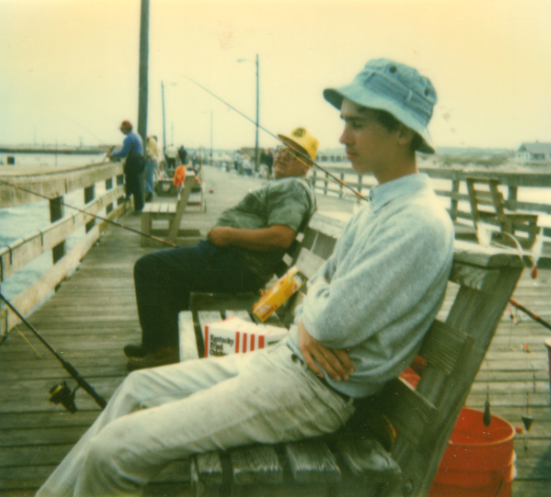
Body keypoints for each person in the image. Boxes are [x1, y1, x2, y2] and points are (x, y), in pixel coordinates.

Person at [36, 59, 454, 497]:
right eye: (344, 122)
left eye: (358, 124)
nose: (342, 137)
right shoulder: (380, 207)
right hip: (290, 358)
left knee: (113, 454)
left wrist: (312, 320)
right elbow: (317, 290)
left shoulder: (415, 222)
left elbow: (330, 321)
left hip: (314, 391)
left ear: (403, 131)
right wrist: (314, 317)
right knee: (138, 386)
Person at [124, 127, 319, 369]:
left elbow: (281, 237)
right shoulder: (288, 185)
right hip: (231, 259)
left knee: (149, 267)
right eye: (281, 149)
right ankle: (161, 343)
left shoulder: (294, 188)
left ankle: (164, 350)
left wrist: (227, 235)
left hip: (238, 265)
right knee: (169, 269)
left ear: (308, 165)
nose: (282, 156)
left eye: (294, 153)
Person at [107, 120, 144, 213]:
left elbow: (124, 153)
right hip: (140, 161)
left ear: (125, 129)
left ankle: (137, 207)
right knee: (135, 183)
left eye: (121, 129)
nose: (121, 131)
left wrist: (112, 154)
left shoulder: (128, 138)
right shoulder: (137, 136)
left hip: (133, 162)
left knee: (134, 184)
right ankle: (135, 204)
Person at [144, 135, 159, 202]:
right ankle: (150, 194)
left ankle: (149, 191)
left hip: (150, 161)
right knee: (150, 178)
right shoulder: (153, 141)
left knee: (144, 178)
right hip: (154, 161)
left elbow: (149, 152)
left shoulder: (150, 142)